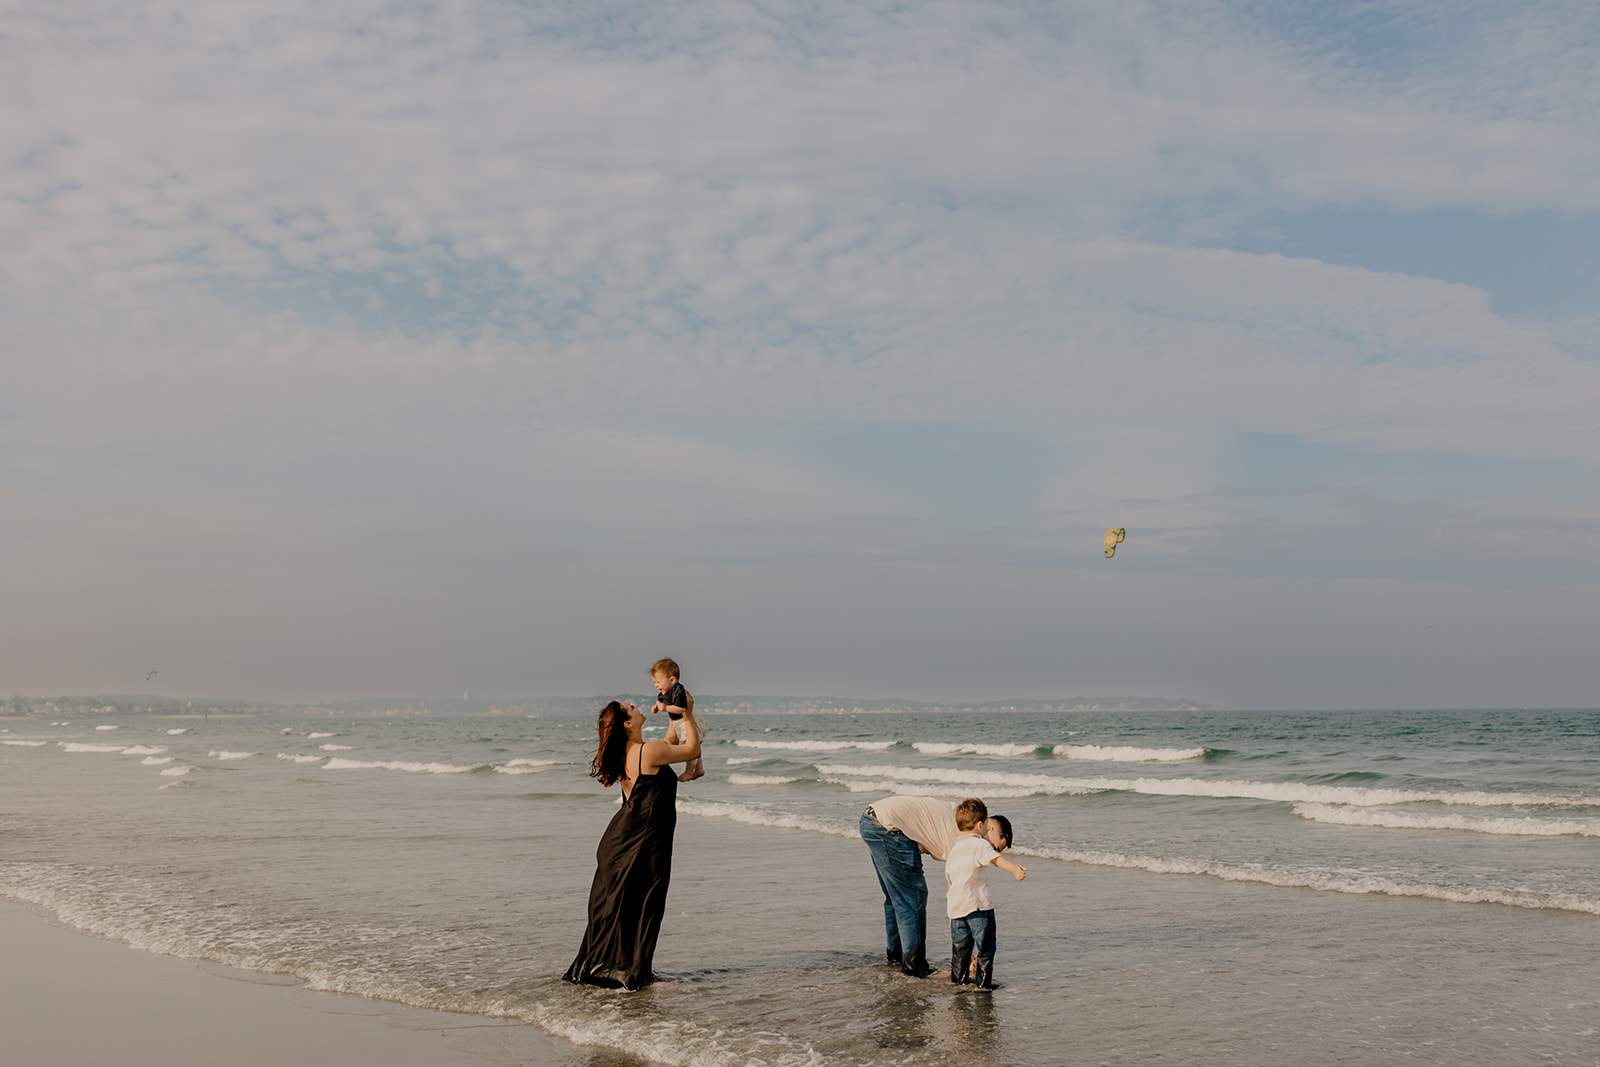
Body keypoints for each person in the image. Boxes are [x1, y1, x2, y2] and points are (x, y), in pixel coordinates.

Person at [563, 698, 702, 989]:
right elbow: (692, 750)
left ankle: (631, 971)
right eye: (632, 708)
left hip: (624, 839)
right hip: (642, 840)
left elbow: (669, 741)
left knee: (627, 905)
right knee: (647, 901)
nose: (638, 707)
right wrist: (687, 713)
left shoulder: (636, 750)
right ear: (627, 723)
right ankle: (638, 977)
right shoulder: (647, 751)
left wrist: (673, 711)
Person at [859, 795, 981, 977]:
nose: (990, 852)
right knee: (911, 898)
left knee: (896, 898)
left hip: (870, 820)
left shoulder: (961, 816)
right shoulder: (964, 841)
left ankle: (896, 955)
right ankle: (914, 966)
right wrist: (963, 952)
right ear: (986, 827)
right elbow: (956, 898)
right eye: (996, 847)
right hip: (890, 828)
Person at [947, 812, 1026, 989]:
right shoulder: (981, 844)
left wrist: (951, 914)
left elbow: (950, 882)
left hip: (957, 909)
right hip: (978, 907)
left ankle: (958, 985)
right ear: (987, 829)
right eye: (997, 846)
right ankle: (983, 986)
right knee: (986, 949)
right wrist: (1014, 868)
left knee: (960, 952)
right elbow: (995, 860)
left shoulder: (955, 848)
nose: (993, 849)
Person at [650, 657, 706, 783]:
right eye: (654, 682)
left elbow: (681, 709)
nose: (656, 685)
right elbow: (659, 701)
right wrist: (656, 708)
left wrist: (665, 708)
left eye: (658, 682)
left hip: (687, 721)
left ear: (672, 679)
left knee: (690, 745)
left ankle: (689, 771)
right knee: (694, 745)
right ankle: (699, 769)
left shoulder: (678, 690)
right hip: (678, 723)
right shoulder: (665, 691)